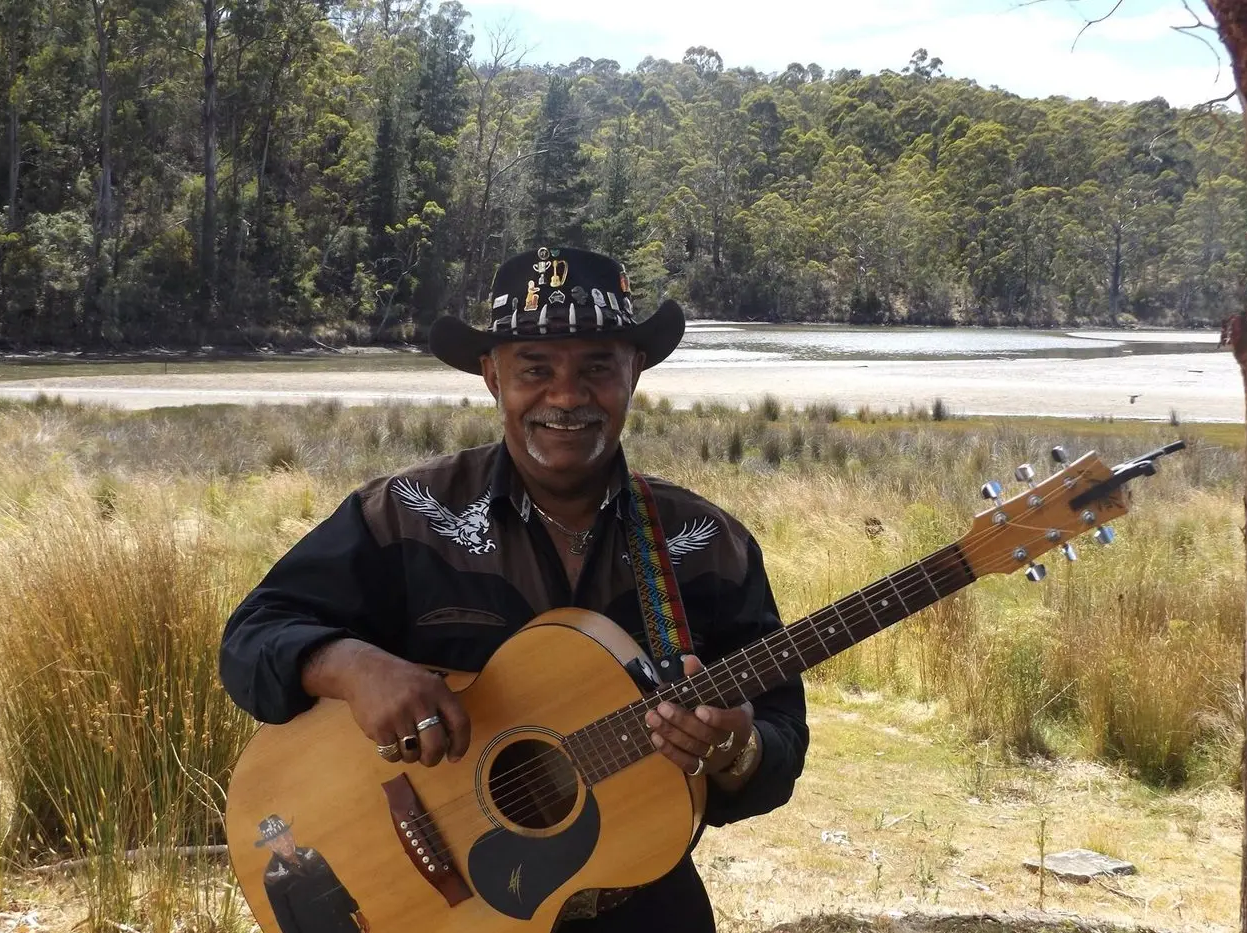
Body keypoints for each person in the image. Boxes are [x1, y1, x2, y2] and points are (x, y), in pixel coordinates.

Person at [220, 246, 809, 931]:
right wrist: (352, 666)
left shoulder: (709, 545)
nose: (566, 396)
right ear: (492, 375)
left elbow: (780, 738)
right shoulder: (404, 514)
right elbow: (251, 639)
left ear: (634, 373)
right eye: (536, 368)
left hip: (641, 908)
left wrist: (735, 750)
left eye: (596, 367)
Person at [255, 814, 369, 933]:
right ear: (270, 845)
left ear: (291, 833)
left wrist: (356, 911)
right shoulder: (272, 878)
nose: (285, 842)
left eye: (286, 835)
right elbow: (285, 920)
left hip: (344, 925)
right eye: (277, 840)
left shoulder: (312, 854)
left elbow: (335, 884)